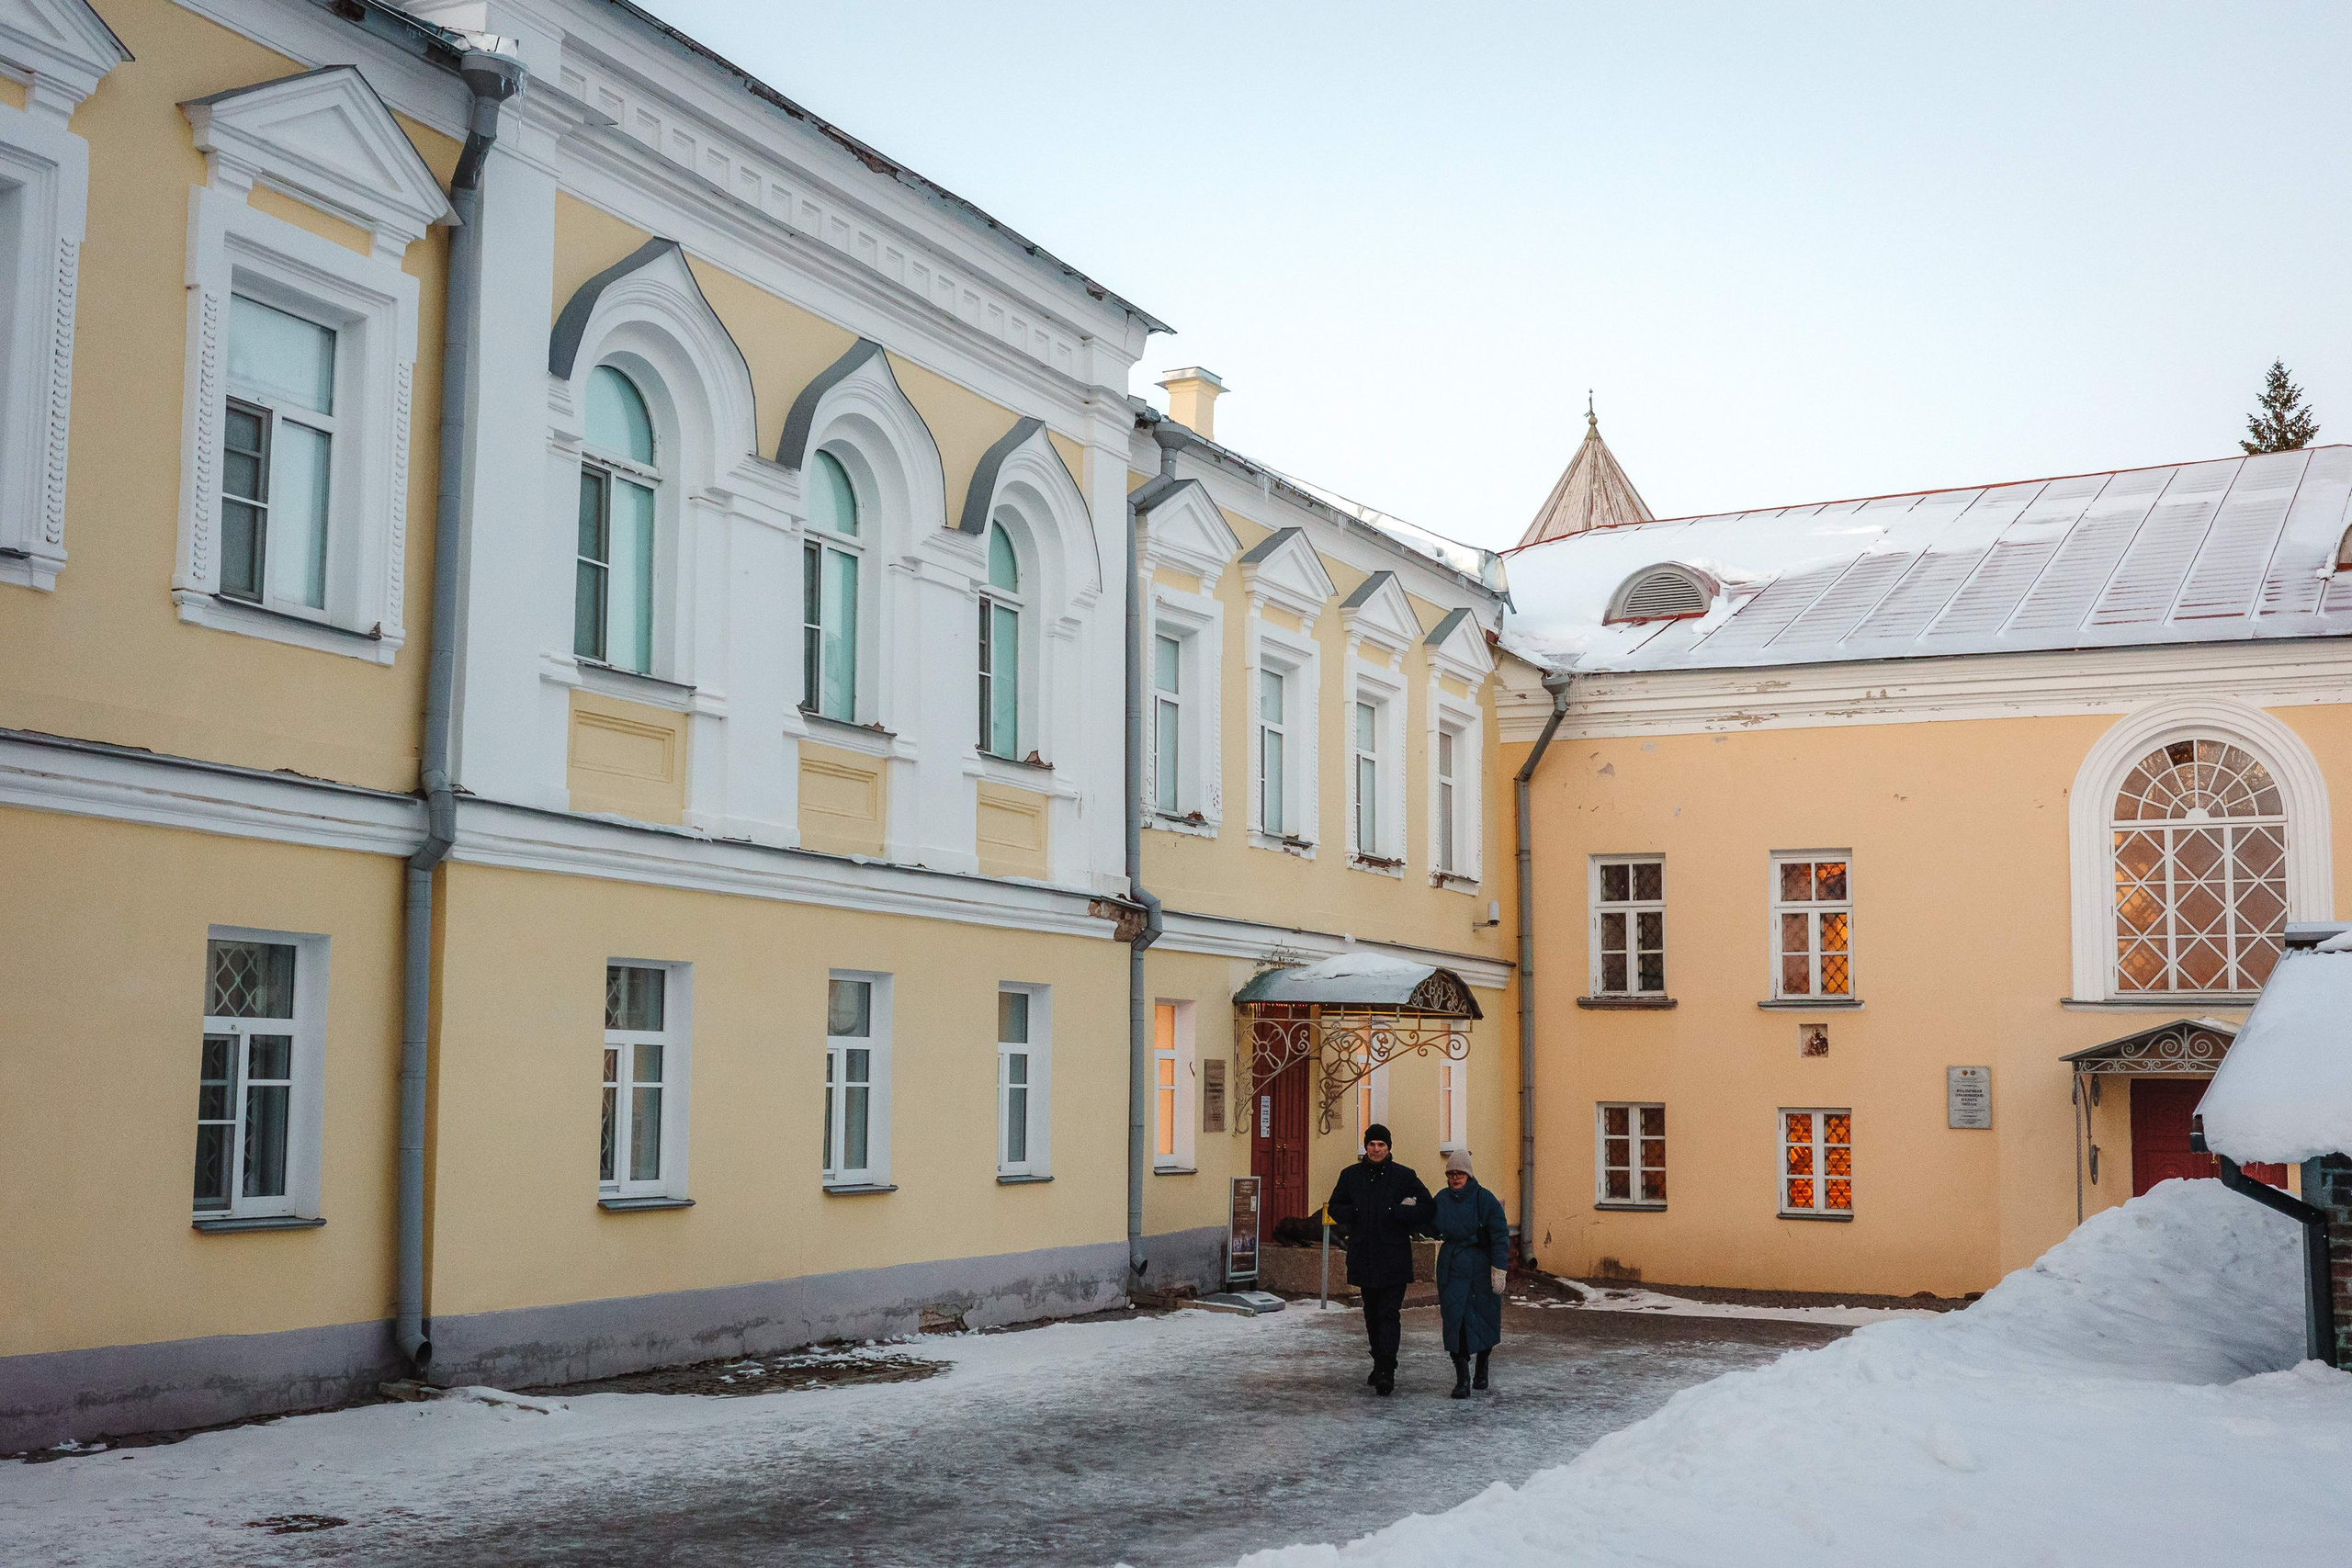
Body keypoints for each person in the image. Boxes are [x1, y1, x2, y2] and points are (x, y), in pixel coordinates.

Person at [1323, 1122, 1431, 1396]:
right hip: (1363, 1254)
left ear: (1389, 1148)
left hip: (1394, 1255)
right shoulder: (1350, 1176)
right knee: (1371, 1314)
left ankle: (1387, 1370)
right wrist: (1355, 1213)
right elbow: (1334, 1207)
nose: (1376, 1149)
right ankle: (1378, 1362)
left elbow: (1428, 1207)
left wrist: (1398, 1212)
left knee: (1389, 1313)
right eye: (1371, 1144)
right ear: (1366, 1147)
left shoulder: (1404, 1176)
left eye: (1381, 1145)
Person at [1429, 1148, 1510, 1398]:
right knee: (1456, 1321)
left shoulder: (1484, 1199)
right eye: (1451, 1173)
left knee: (1485, 1317)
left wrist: (1499, 1269)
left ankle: (1482, 1367)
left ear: (1469, 1175)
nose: (1455, 1177)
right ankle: (1462, 1378)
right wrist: (1412, 1210)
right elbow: (1429, 1225)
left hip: (1480, 1266)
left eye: (1460, 1173)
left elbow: (1499, 1235)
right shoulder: (1441, 1199)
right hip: (1452, 1266)